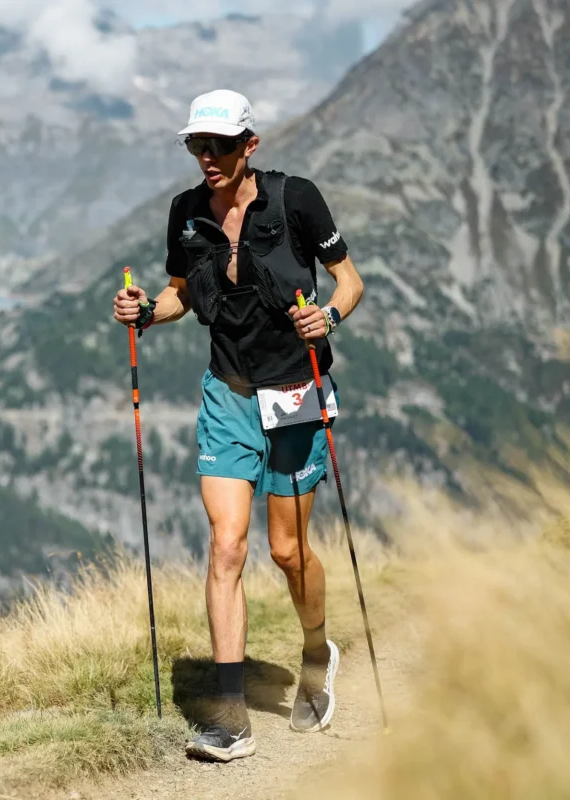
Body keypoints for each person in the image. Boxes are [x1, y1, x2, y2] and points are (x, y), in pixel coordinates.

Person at [112, 89, 365, 762]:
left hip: (296, 391)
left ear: (249, 144)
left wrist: (329, 318)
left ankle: (317, 650)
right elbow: (181, 292)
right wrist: (143, 312)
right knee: (226, 546)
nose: (208, 157)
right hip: (227, 393)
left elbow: (350, 280)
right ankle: (230, 719)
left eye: (220, 145)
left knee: (287, 551)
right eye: (198, 145)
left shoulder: (296, 200)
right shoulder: (186, 213)